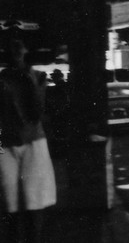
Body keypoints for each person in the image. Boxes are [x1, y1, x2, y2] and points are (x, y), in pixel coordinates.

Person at [0, 38, 56, 243]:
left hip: (33, 141)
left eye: (19, 46)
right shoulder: (2, 78)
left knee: (34, 200)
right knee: (9, 201)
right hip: (5, 143)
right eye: (10, 46)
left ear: (26, 50)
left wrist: (29, 80)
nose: (15, 50)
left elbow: (37, 112)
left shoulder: (38, 77)